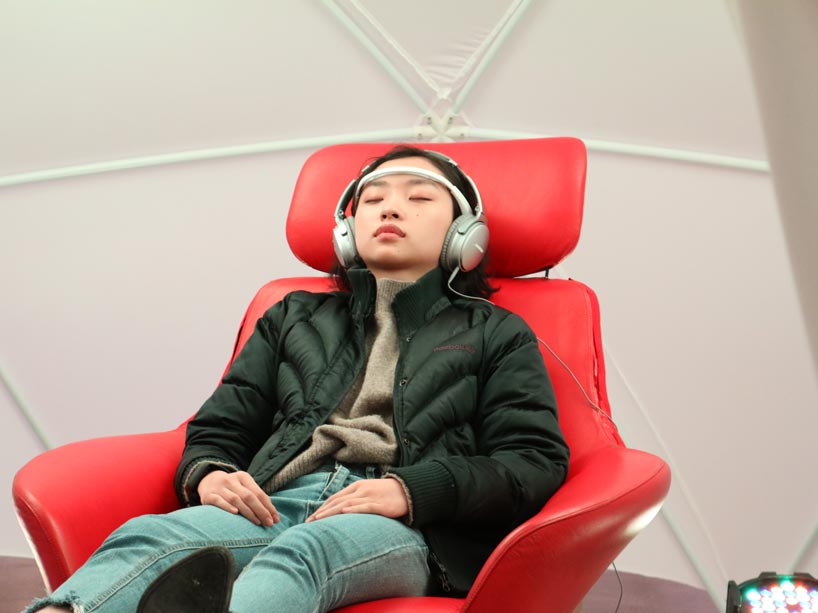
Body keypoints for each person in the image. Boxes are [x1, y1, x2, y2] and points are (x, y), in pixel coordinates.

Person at [26, 145, 569, 613]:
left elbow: (533, 461)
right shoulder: (293, 316)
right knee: (150, 537)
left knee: (296, 559)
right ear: (345, 231)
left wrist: (410, 491)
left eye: (419, 198)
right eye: (373, 199)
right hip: (277, 498)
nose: (391, 208)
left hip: (407, 525)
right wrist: (207, 473)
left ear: (464, 235)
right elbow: (222, 423)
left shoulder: (496, 331)